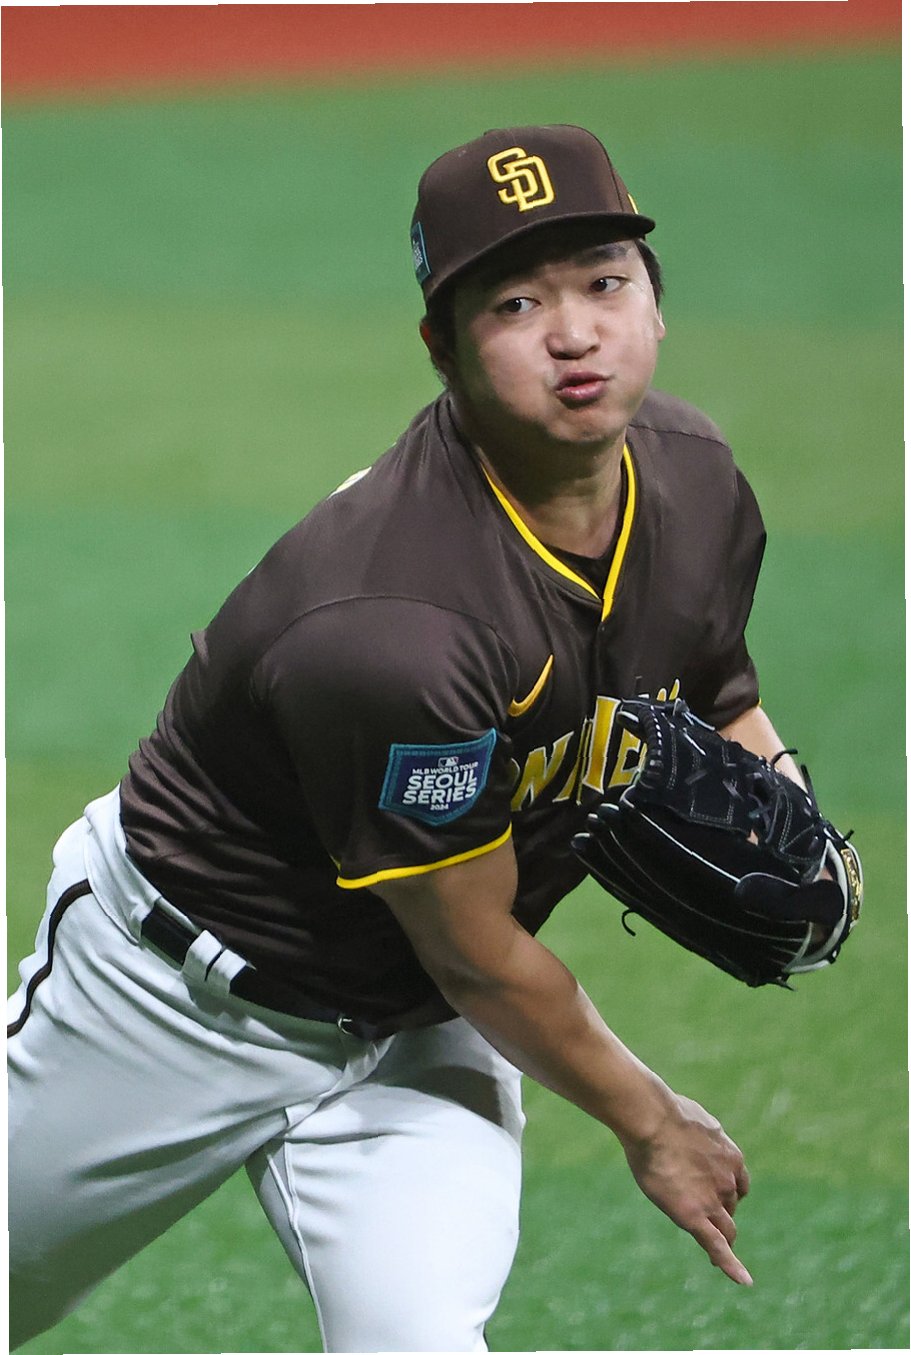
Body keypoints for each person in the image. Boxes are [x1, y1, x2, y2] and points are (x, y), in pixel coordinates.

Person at [12, 122, 810, 1353]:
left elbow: (710, 690)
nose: (573, 333)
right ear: (442, 348)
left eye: (604, 283)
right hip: (169, 1007)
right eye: (515, 304)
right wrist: (651, 1117)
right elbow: (477, 951)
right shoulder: (392, 625)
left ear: (655, 302)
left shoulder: (695, 478)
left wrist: (786, 801)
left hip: (412, 1034)